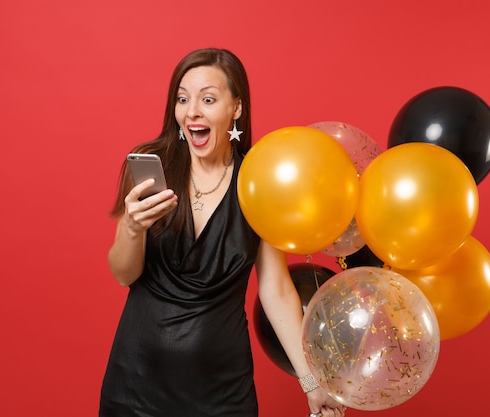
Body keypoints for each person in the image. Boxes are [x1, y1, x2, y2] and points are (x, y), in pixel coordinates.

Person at [99, 48, 345, 417]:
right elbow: (123, 275)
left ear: (237, 108)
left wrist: (310, 383)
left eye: (208, 99)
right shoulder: (154, 166)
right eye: (182, 99)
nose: (191, 111)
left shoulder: (259, 183)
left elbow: (276, 290)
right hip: (136, 384)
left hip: (222, 392)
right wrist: (132, 228)